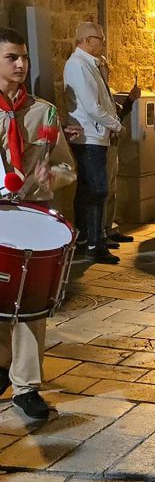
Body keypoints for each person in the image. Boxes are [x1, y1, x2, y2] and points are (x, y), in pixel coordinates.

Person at [0, 27, 76, 420]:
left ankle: (26, 387)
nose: (21, 64)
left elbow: (67, 167)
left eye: (24, 57)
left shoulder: (43, 112)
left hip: (29, 214)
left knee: (28, 303)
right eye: (11, 57)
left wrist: (53, 176)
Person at [64, 21, 123, 264]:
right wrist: (116, 125)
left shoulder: (90, 64)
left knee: (90, 190)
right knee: (97, 190)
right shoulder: (78, 64)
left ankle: (86, 239)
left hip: (96, 134)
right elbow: (91, 106)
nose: (104, 44)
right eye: (101, 39)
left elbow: (102, 100)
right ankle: (93, 244)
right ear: (88, 41)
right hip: (89, 136)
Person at [99, 56, 141, 247]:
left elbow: (119, 114)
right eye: (103, 66)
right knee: (104, 189)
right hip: (102, 144)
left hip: (113, 144)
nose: (107, 70)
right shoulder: (95, 91)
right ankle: (101, 233)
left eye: (106, 66)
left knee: (112, 189)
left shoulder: (108, 91)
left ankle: (109, 227)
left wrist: (130, 100)